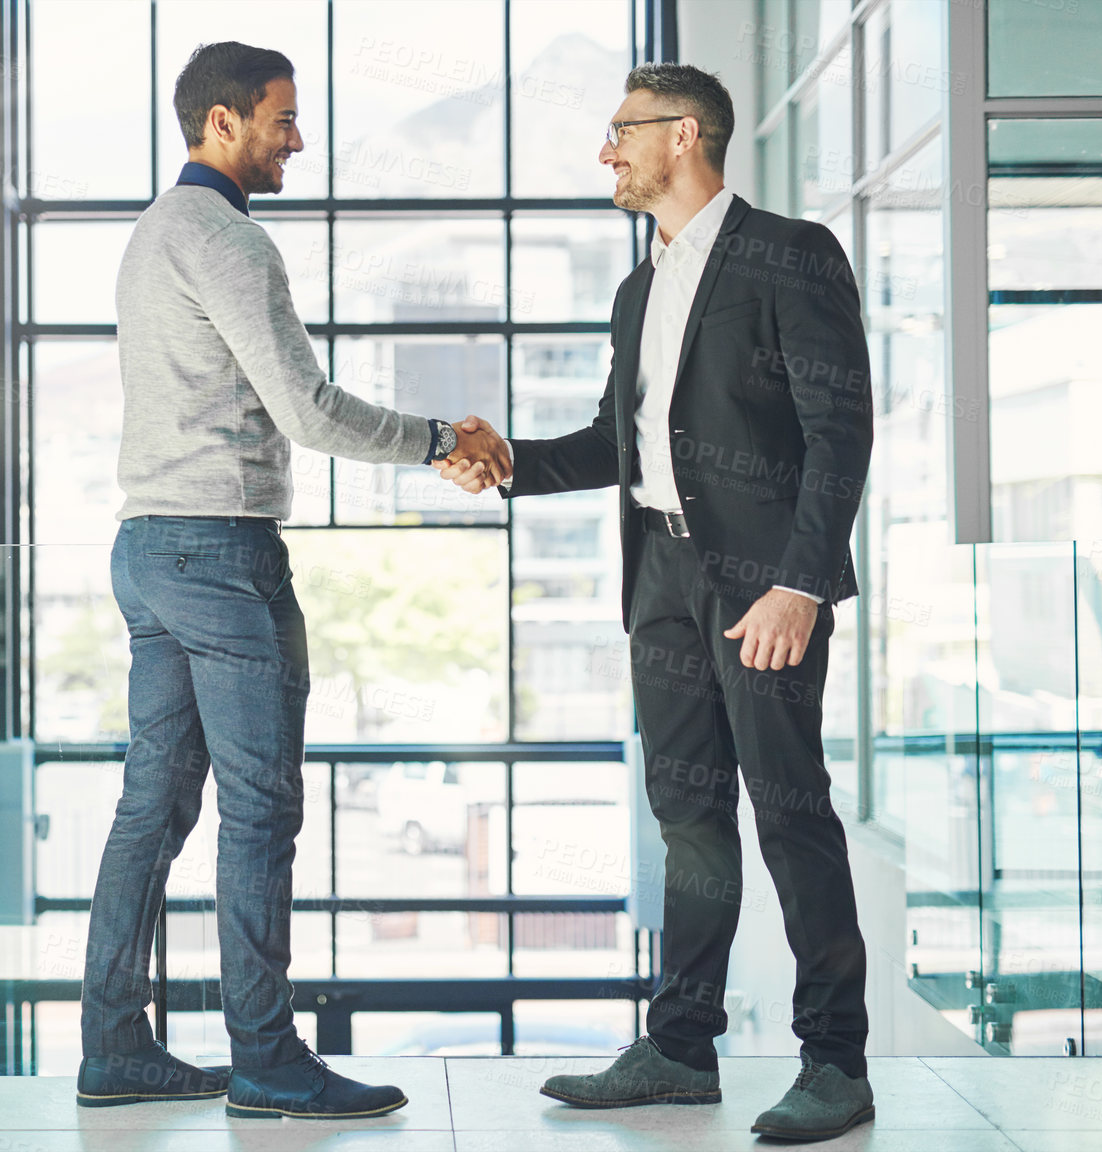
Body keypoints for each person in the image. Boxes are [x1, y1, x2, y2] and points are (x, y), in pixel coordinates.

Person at [439, 62, 874, 1143]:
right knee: (686, 821)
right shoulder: (640, 288)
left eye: (618, 133)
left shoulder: (790, 252)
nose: (605, 153)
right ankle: (679, 1047)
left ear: (683, 134)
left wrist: (800, 583)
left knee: (788, 814)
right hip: (663, 583)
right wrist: (506, 462)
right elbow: (614, 443)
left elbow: (839, 429)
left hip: (761, 584)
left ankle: (836, 1062)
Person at [75, 40, 510, 1120]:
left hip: (148, 549)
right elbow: (306, 410)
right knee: (259, 812)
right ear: (222, 122)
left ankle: (114, 1045)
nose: (297, 139)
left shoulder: (150, 234)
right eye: (281, 119)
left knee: (151, 809)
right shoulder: (225, 238)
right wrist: (433, 438)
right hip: (220, 554)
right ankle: (266, 1059)